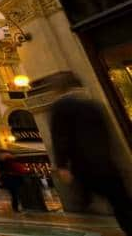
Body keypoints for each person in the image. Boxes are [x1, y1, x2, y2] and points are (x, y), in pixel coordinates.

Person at [50, 94, 132, 235]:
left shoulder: (61, 107)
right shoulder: (93, 105)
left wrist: (62, 164)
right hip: (105, 163)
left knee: (114, 202)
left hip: (86, 165)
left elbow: (60, 139)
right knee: (120, 202)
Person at [0, 140, 25, 212]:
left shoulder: (0, 153)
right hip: (10, 176)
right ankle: (16, 208)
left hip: (12, 175)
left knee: (15, 192)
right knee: (15, 192)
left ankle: (18, 207)